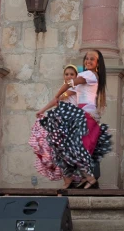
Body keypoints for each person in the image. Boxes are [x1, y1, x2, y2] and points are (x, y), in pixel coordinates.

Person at [39, 50, 112, 189]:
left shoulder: (88, 74)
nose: (88, 61)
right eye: (86, 58)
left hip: (86, 114)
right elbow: (68, 92)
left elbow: (70, 84)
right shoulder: (89, 78)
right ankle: (87, 178)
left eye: (92, 59)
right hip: (87, 113)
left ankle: (88, 178)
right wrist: (48, 106)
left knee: (76, 147)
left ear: (97, 63)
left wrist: (58, 94)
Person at [29, 64, 79, 182]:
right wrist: (42, 110)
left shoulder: (74, 87)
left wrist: (57, 97)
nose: (69, 76)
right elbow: (56, 101)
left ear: (76, 76)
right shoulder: (64, 89)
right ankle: (67, 180)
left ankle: (72, 179)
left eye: (72, 74)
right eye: (66, 74)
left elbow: (60, 98)